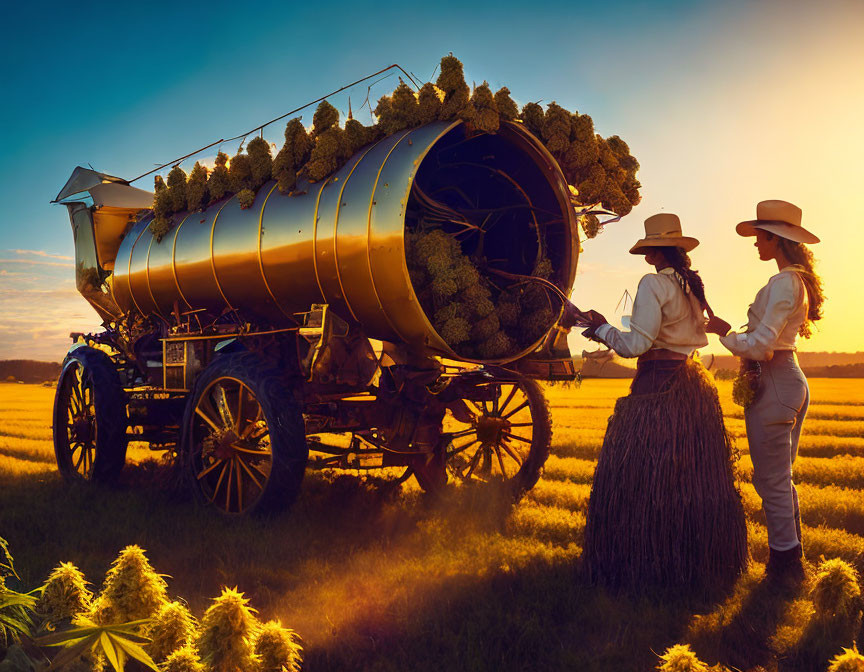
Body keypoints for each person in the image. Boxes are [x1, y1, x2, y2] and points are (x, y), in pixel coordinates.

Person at [566, 213, 748, 596]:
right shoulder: (690, 285)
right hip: (690, 390)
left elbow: (636, 346)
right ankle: (699, 562)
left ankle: (641, 565)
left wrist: (598, 326)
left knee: (643, 480)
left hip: (655, 391)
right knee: (692, 479)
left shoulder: (653, 283)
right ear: (679, 250)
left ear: (651, 256)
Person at [707, 200, 823, 586]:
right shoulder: (792, 281)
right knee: (780, 478)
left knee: (771, 481)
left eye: (759, 237)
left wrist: (726, 334)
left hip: (775, 380)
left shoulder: (784, 282)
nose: (756, 244)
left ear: (776, 238)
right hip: (788, 380)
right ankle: (792, 559)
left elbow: (761, 347)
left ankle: (785, 572)